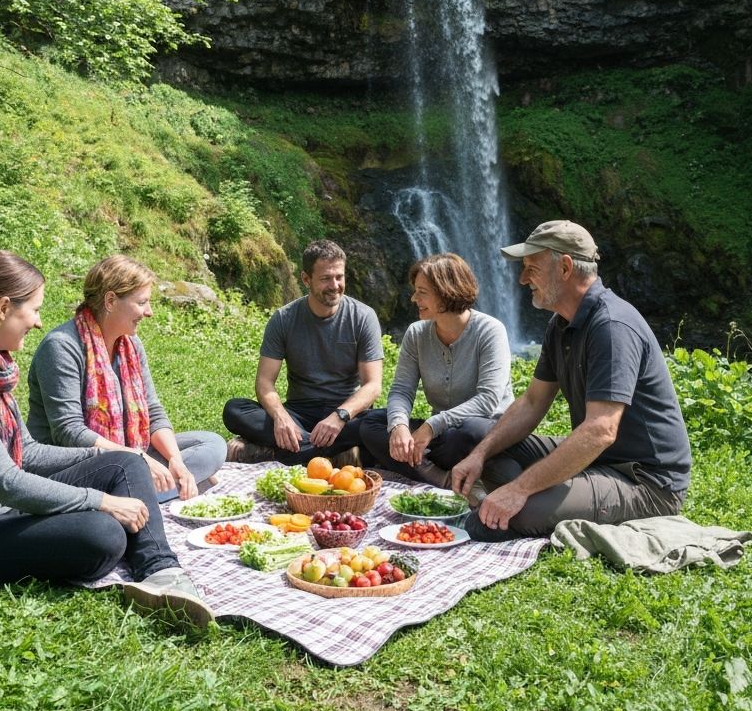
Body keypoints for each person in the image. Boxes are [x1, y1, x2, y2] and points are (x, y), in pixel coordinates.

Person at [0, 250, 213, 628]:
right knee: (104, 534)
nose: (38, 321)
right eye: (34, 310)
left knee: (127, 462)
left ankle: (162, 573)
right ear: (3, 308)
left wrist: (107, 461)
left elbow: (25, 452)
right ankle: (149, 559)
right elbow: (7, 482)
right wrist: (102, 500)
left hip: (0, 510)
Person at [452, 220, 692, 540]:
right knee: (475, 435)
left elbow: (600, 430)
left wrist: (519, 490)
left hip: (644, 481)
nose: (523, 279)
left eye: (531, 268)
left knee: (503, 518)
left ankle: (528, 498)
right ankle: (535, 494)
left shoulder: (611, 326)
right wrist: (479, 455)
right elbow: (533, 401)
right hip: (594, 461)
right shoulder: (561, 324)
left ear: (565, 267)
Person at [26, 255, 225, 503]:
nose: (149, 312)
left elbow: (153, 410)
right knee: (138, 470)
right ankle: (151, 490)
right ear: (110, 300)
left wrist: (176, 461)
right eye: (142, 302)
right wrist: (139, 459)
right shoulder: (61, 347)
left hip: (130, 450)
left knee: (212, 444)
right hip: (76, 465)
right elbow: (70, 434)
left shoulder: (131, 345)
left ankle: (159, 485)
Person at [223, 239, 384, 465]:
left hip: (345, 413)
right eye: (326, 278)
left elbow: (373, 385)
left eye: (339, 277)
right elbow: (264, 382)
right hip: (299, 413)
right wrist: (281, 419)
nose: (335, 285)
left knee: (381, 422)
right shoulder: (284, 319)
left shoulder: (363, 317)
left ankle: (291, 451)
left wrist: (339, 417)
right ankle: (332, 452)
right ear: (306, 279)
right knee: (235, 409)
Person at [360, 253, 514, 486]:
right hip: (440, 434)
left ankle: (418, 464)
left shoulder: (490, 330)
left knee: (467, 433)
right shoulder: (416, 333)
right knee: (371, 423)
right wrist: (399, 426)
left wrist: (433, 425)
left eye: (422, 292)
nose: (413, 298)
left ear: (447, 292)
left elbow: (489, 400)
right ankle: (440, 477)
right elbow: (402, 390)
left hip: (483, 428)